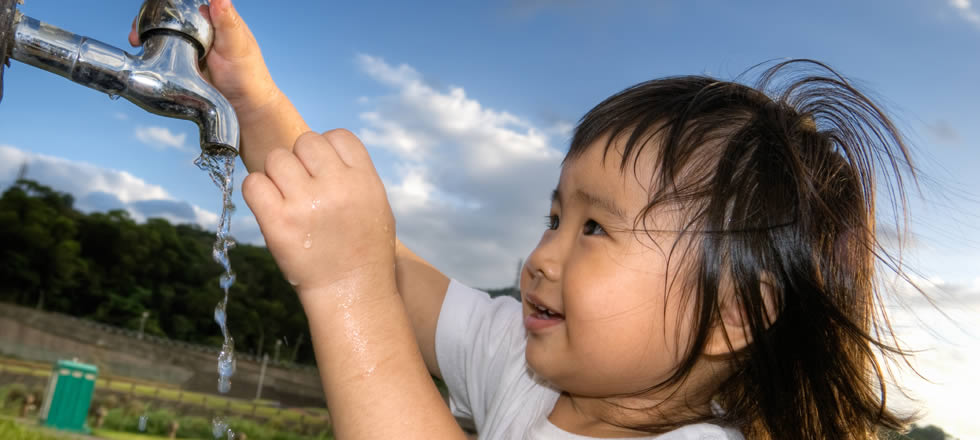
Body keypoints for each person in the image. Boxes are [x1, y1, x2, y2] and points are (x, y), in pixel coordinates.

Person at [129, 2, 921, 438]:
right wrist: (253, 100)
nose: (539, 257)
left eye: (594, 228)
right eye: (554, 216)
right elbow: (384, 264)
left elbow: (364, 279)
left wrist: (345, 289)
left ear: (734, 314)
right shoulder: (522, 362)